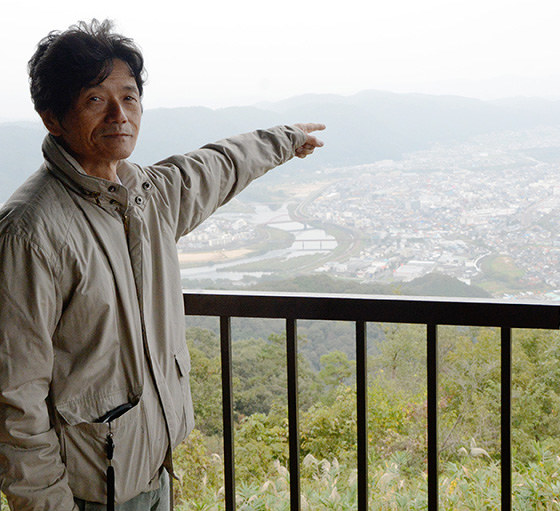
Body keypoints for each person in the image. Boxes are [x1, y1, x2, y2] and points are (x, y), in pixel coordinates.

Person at [0, 19, 324, 510]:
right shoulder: (31, 232)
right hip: (85, 493)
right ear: (52, 117)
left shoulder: (146, 195)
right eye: (95, 100)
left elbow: (217, 164)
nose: (119, 115)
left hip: (151, 473)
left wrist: (286, 138)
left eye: (129, 98)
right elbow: (13, 400)